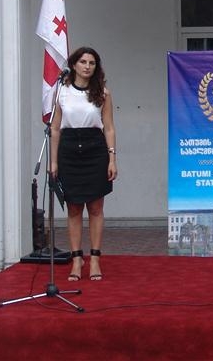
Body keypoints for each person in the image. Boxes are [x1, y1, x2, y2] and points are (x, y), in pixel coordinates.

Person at [50, 47, 117, 281]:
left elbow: (109, 128)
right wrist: (53, 161)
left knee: (96, 208)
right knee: (74, 208)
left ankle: (95, 259)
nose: (87, 66)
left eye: (92, 63)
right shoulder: (62, 91)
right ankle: (77, 259)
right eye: (83, 62)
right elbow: (55, 129)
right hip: (69, 149)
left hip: (95, 149)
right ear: (74, 65)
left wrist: (112, 158)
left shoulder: (103, 93)